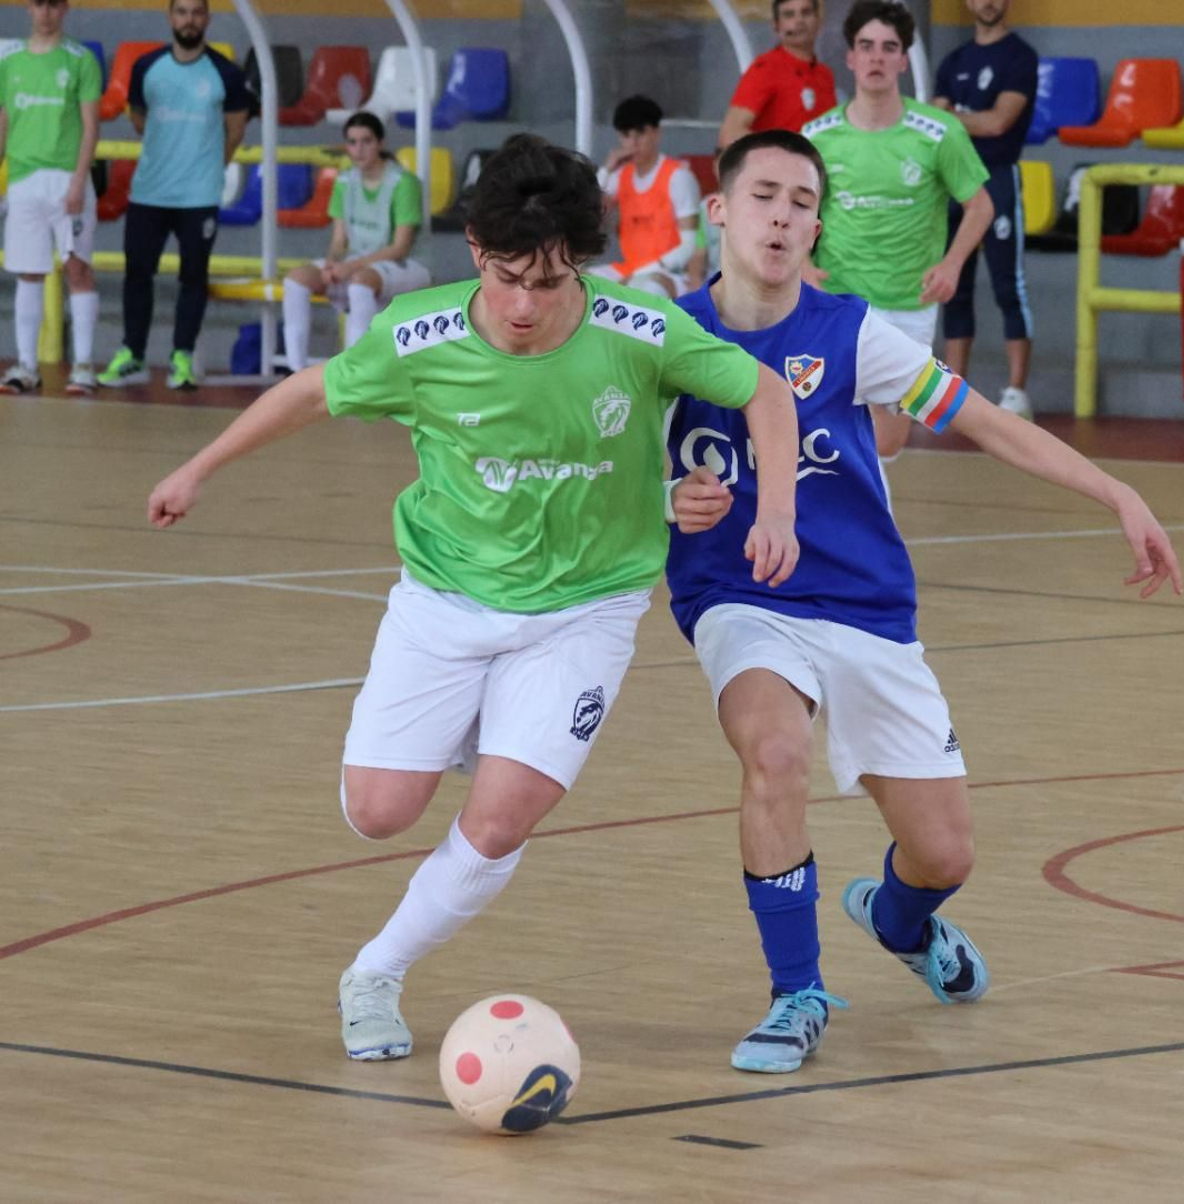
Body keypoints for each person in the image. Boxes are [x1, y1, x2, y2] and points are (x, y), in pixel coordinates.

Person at [146, 134, 801, 1062]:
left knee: (499, 819)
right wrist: (200, 467)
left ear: (580, 262)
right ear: (473, 249)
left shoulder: (638, 326)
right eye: (506, 277)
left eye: (550, 280)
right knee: (377, 811)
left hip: (587, 607)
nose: (525, 304)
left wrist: (775, 507)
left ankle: (375, 971)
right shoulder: (419, 335)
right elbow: (310, 393)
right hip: (447, 598)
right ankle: (479, 730)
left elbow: (766, 391)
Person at [665, 130, 1183, 1074]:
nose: (782, 216)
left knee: (944, 857)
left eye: (801, 202)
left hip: (866, 608)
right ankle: (796, 994)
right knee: (774, 748)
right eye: (765, 196)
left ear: (818, 224)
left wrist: (1119, 493)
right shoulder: (665, 337)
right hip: (740, 597)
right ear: (720, 212)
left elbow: (986, 425)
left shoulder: (852, 332)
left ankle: (899, 919)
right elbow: (599, 468)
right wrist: (663, 499)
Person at [801, 0, 993, 458]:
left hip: (909, 301)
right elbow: (793, 209)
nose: (876, 57)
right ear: (850, 57)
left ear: (903, 60)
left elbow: (980, 206)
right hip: (838, 300)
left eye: (889, 48)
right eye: (866, 46)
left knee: (887, 441)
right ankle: (841, 525)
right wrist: (802, 264)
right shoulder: (817, 136)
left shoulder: (938, 132)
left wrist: (951, 264)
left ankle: (860, 515)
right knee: (825, 424)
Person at [97, 0, 254, 392]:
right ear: (170, 18)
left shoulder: (226, 73)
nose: (189, 20)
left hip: (198, 195)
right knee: (137, 274)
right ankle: (132, 355)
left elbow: (236, 129)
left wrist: (207, 168)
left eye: (196, 12)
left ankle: (181, 357)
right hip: (149, 191)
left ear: (207, 19)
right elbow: (138, 119)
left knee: (193, 277)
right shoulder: (147, 67)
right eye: (181, 12)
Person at [933, 0, 1038, 420]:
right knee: (952, 285)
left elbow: (998, 122)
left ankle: (1016, 391)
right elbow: (934, 123)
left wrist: (955, 115)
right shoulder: (953, 60)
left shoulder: (1020, 56)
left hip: (996, 177)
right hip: (953, 181)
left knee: (1007, 284)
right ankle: (954, 389)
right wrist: (965, 119)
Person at [0, 0, 102, 396]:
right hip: (24, 179)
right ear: (29, 7)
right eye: (39, 3)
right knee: (28, 271)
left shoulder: (80, 60)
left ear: (66, 9)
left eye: (54, 4)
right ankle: (26, 366)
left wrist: (79, 180)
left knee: (78, 267)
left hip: (66, 179)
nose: (46, 12)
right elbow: (5, 121)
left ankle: (82, 366)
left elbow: (91, 126)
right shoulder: (10, 61)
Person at [279, 112, 429, 372]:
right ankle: (296, 370)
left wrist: (348, 268)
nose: (358, 150)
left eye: (366, 141)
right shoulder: (344, 181)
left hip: (406, 264)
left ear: (380, 143)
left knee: (360, 283)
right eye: (352, 142)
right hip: (358, 262)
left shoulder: (403, 183)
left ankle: (358, 371)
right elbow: (339, 240)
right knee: (296, 279)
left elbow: (400, 247)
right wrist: (331, 264)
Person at [593, 95, 699, 299]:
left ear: (656, 133)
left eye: (640, 133)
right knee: (580, 282)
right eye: (626, 134)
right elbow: (585, 213)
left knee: (646, 289)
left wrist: (640, 274)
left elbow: (689, 246)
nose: (633, 143)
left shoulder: (678, 177)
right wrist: (606, 170)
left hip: (669, 274)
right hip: (629, 269)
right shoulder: (618, 177)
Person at [716, 0, 836, 150]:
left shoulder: (825, 74)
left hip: (819, 168)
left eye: (806, 12)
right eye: (789, 15)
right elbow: (730, 134)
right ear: (776, 25)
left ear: (819, 21)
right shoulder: (766, 67)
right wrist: (780, 155)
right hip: (778, 170)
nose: (799, 21)